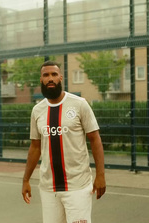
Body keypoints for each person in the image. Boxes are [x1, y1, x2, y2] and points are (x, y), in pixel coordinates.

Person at [21, 60, 106, 223]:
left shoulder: (79, 104)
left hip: (78, 186)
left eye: (54, 74)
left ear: (61, 78)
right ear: (41, 80)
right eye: (46, 75)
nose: (50, 78)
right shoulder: (37, 110)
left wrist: (100, 175)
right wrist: (26, 179)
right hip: (48, 189)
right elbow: (35, 147)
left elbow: (95, 139)